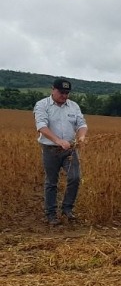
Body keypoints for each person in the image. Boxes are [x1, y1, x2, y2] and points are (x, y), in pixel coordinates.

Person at [34, 79, 88, 226]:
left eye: (67, 93)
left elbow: (81, 124)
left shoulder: (73, 106)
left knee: (75, 177)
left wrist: (81, 136)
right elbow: (41, 127)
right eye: (61, 92)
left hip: (70, 149)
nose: (64, 96)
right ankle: (51, 214)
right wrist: (58, 141)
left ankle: (67, 209)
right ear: (53, 89)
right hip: (50, 149)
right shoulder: (42, 105)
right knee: (51, 182)